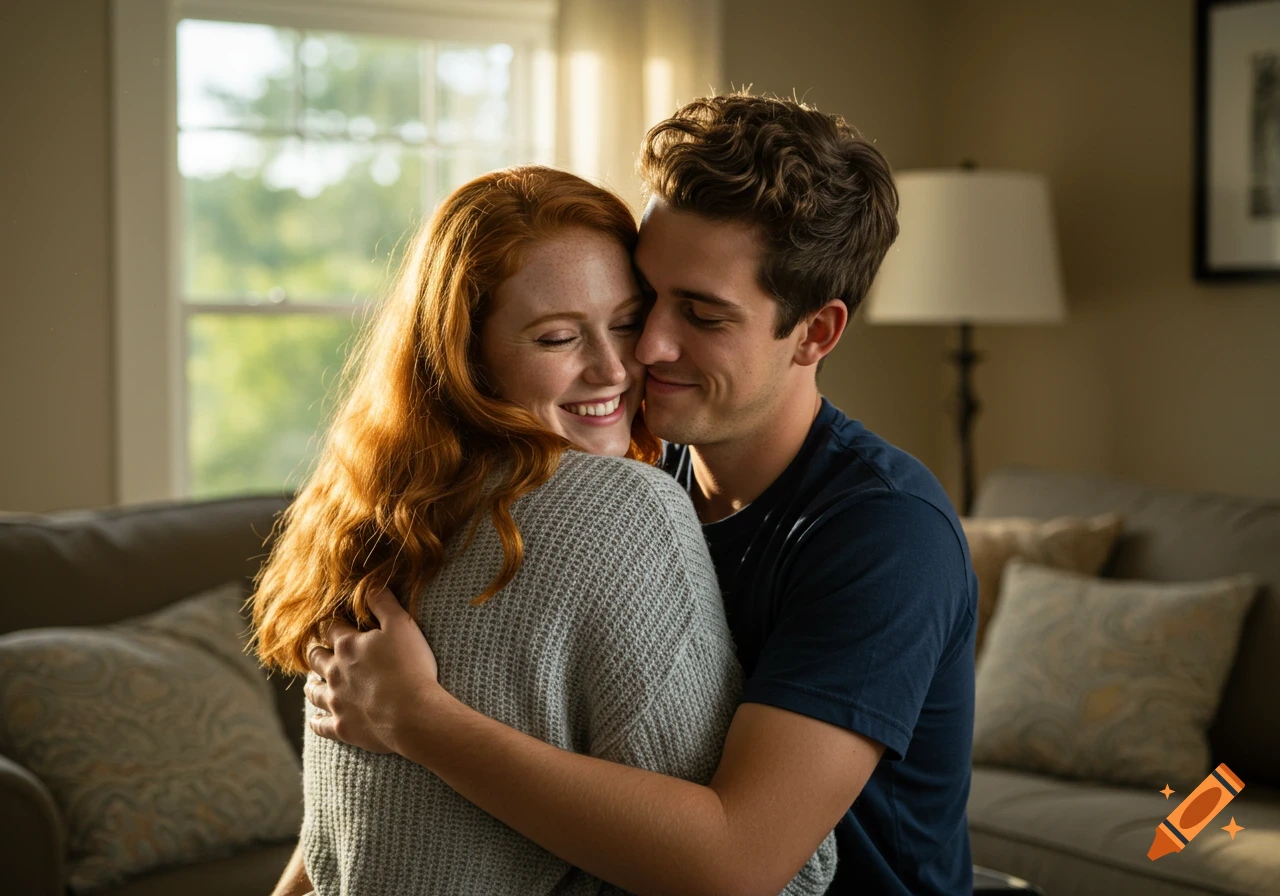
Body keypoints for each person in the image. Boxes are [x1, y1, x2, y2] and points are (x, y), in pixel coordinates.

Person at [303, 93, 978, 895]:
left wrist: (420, 721)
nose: (647, 349)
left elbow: (741, 864)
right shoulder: (616, 482)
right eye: (646, 300)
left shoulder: (884, 533)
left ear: (816, 333)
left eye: (702, 315)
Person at [253, 165, 837, 896]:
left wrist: (421, 721)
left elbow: (335, 843)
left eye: (627, 323)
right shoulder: (624, 508)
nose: (615, 368)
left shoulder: (371, 509)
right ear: (468, 355)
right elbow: (779, 880)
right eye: (558, 338)